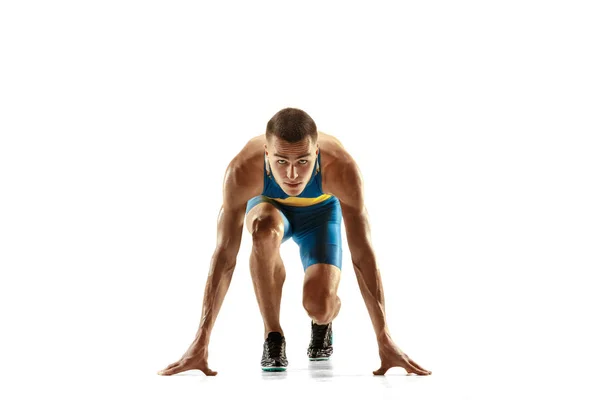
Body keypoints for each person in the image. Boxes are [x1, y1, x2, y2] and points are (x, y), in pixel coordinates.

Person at [157, 108, 431, 376]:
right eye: (280, 162)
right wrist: (201, 339)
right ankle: (273, 335)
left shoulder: (342, 168)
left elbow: (363, 256)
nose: (291, 175)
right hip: (269, 208)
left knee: (320, 307)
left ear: (317, 154)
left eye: (302, 162)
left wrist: (383, 338)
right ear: (266, 154)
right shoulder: (243, 170)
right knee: (264, 231)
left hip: (320, 215)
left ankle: (323, 323)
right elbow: (224, 257)